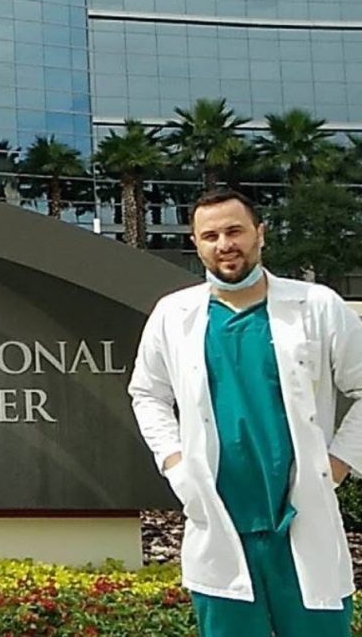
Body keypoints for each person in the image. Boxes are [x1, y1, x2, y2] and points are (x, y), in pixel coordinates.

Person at [129, 187, 362, 636]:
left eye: (234, 231)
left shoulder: (317, 306)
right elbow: (147, 394)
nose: (224, 245)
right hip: (219, 524)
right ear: (196, 244)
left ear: (260, 233)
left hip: (302, 518)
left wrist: (337, 464)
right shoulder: (173, 315)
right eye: (210, 236)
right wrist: (175, 463)